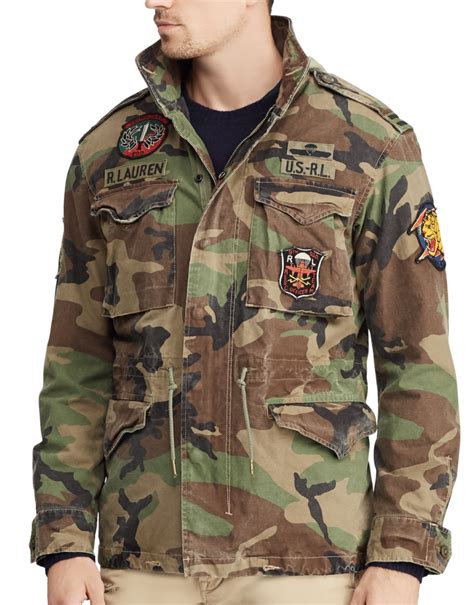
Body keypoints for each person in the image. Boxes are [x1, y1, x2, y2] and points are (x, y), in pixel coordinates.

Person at [29, 1, 460, 604]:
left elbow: (416, 361)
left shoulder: (369, 142)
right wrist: (65, 539)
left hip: (311, 560)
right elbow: (77, 362)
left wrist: (401, 556)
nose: (153, 0)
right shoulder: (109, 153)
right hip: (145, 556)